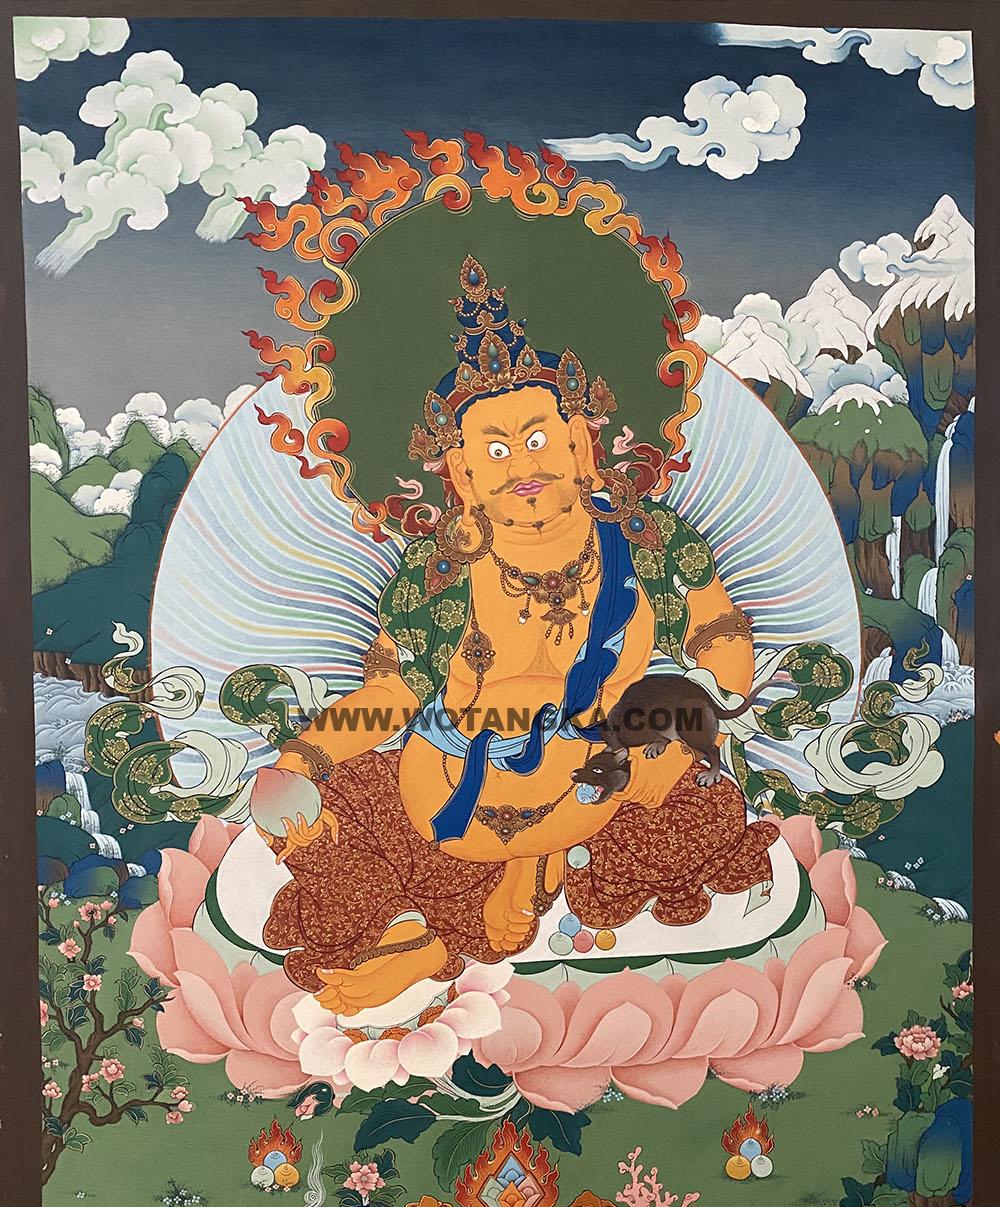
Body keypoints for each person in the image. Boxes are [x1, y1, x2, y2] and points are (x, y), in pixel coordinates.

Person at [251, 255, 777, 1016]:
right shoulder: (440, 572)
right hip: (451, 802)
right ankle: (481, 901)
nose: (521, 464)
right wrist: (302, 758)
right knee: (318, 815)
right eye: (494, 451)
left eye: (538, 439)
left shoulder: (646, 539)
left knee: (702, 812)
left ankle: (490, 901)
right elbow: (392, 695)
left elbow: (721, 641)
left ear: (582, 446)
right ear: (461, 475)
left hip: (602, 784)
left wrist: (675, 729)